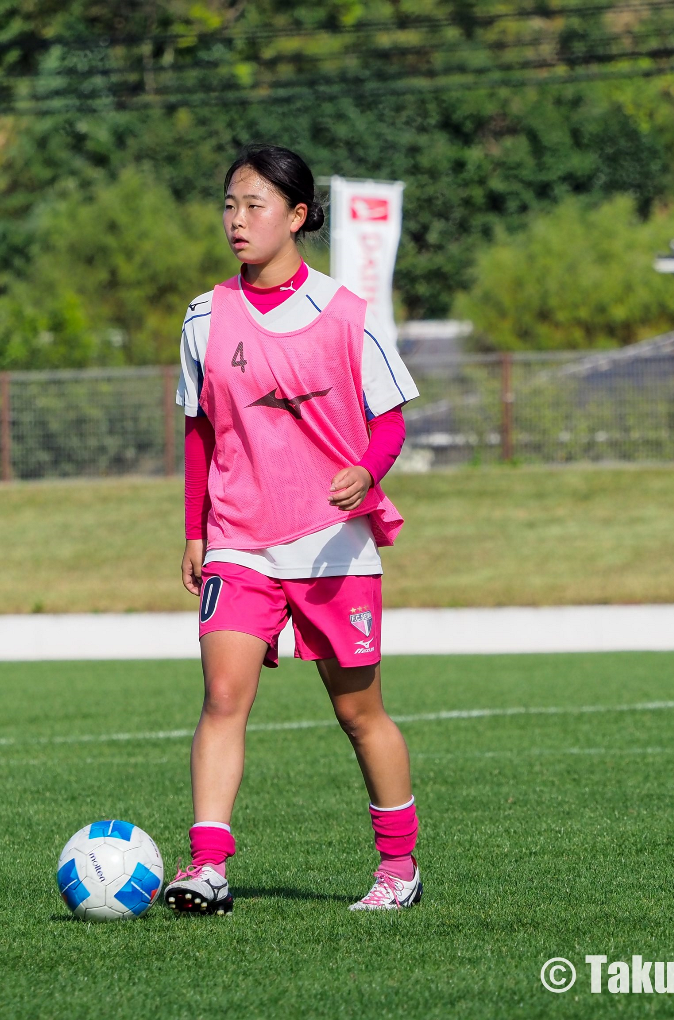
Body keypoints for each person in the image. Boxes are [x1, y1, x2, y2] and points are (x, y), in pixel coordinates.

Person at [162, 144, 421, 914]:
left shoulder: (346, 315)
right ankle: (207, 864)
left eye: (256, 207)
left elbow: (390, 422)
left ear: (298, 217)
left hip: (333, 546)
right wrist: (195, 529)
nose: (237, 221)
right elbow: (199, 431)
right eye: (230, 206)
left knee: (357, 712)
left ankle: (398, 868)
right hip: (239, 541)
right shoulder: (205, 317)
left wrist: (368, 475)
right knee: (221, 697)